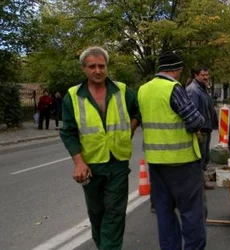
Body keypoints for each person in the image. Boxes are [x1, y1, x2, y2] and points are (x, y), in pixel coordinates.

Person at [59, 46, 141, 249]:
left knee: (114, 213)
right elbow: (67, 131)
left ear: (107, 67)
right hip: (91, 166)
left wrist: (129, 130)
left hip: (117, 163)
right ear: (84, 69)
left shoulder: (122, 90)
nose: (98, 70)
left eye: (101, 66)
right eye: (92, 66)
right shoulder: (73, 96)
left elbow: (137, 112)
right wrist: (78, 162)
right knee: (97, 215)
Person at [138, 51, 206, 250]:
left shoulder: (143, 89)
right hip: (182, 162)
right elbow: (195, 121)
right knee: (192, 213)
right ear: (177, 70)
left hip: (156, 162)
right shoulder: (173, 88)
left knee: (164, 212)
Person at [186, 65, 217, 190]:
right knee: (199, 157)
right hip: (200, 129)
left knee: (204, 157)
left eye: (207, 75)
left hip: (206, 128)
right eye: (203, 75)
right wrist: (197, 129)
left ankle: (200, 182)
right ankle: (196, 184)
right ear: (196, 75)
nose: (205, 77)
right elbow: (193, 111)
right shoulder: (193, 90)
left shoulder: (202, 89)